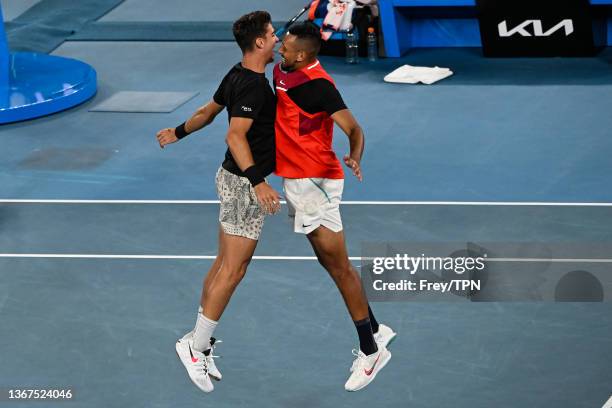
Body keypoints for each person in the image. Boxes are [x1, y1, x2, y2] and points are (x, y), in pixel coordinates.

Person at [156, 10, 280, 393]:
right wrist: (259, 182)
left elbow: (207, 112)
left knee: (224, 264)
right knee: (233, 271)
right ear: (259, 42)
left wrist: (178, 131)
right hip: (243, 184)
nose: (277, 39)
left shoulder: (237, 72)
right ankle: (195, 348)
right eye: (273, 34)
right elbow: (234, 136)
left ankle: (196, 341)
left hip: (230, 180)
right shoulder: (254, 87)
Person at [274, 21, 396, 392]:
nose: (281, 50)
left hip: (316, 181)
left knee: (340, 267)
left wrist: (355, 156)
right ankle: (377, 327)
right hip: (295, 179)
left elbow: (355, 130)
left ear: (303, 55)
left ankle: (371, 349)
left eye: (287, 47)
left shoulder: (320, 87)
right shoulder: (282, 69)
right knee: (328, 262)